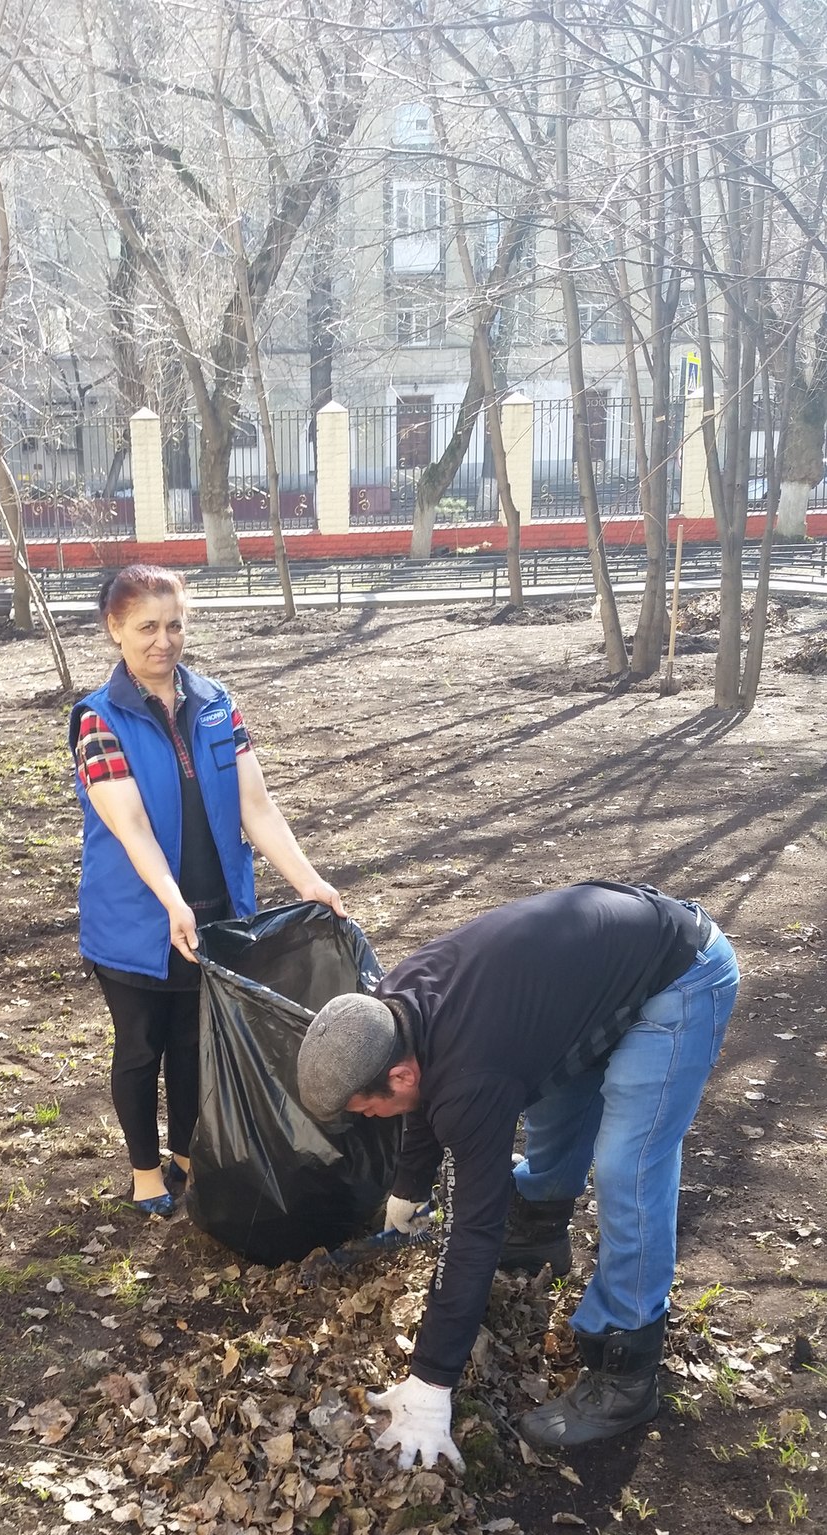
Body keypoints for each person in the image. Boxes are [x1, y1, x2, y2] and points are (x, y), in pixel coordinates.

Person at [295, 881, 739, 1466]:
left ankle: (626, 1370)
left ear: (396, 1076)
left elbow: (472, 1228)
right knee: (552, 1108)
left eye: (367, 1108)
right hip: (600, 976)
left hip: (681, 975)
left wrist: (431, 1380)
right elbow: (427, 1092)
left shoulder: (470, 1076)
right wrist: (410, 1184)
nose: (372, 1118)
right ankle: (538, 1232)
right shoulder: (392, 1009)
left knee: (627, 1168)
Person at [70, 564, 343, 1214]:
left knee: (196, 1045)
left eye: (174, 625)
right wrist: (171, 901)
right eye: (146, 627)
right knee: (141, 1049)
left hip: (217, 915)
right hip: (135, 919)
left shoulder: (217, 704)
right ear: (114, 629)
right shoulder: (98, 720)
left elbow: (256, 807)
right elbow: (131, 826)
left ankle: (188, 1155)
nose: (162, 641)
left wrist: (308, 881)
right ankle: (145, 1171)